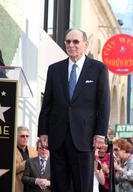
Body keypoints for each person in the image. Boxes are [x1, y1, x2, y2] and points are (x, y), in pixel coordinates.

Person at [38, 28, 110, 192]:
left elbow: (104, 105)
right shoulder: (54, 69)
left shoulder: (98, 69)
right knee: (59, 186)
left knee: (82, 186)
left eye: (76, 41)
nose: (71, 45)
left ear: (85, 44)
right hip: (58, 138)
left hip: (84, 139)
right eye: (68, 41)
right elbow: (47, 103)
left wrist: (100, 134)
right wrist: (43, 131)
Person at [16, 126, 38, 192]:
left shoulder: (34, 150)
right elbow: (11, 169)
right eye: (22, 136)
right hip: (18, 186)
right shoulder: (11, 151)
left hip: (32, 187)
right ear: (16, 136)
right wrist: (26, 163)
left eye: (27, 136)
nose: (25, 138)